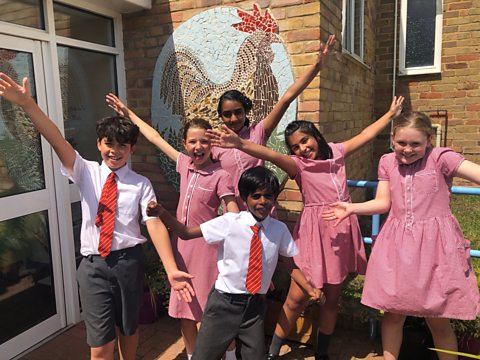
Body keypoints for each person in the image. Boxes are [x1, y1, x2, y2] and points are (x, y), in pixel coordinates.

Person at [0, 73, 194, 360]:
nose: (115, 151)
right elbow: (55, 138)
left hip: (129, 263)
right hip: (94, 268)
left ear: (131, 149)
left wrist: (170, 268)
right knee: (100, 347)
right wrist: (28, 105)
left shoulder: (141, 185)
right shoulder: (85, 171)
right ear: (99, 143)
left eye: (122, 146)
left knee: (129, 329)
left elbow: (153, 224)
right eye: (109, 143)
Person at [207, 95, 405, 360]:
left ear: (316, 137)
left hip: (342, 232)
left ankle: (321, 352)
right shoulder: (297, 165)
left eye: (305, 140)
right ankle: (272, 353)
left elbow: (366, 134)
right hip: (314, 234)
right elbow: (268, 153)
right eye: (295, 146)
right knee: (295, 298)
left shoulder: (337, 152)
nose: (301, 148)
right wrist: (240, 143)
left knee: (331, 300)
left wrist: (390, 115)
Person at [322, 111, 480, 360]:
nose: (407, 149)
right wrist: (352, 208)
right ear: (393, 138)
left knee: (438, 318)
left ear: (429, 140)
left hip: (435, 247)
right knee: (393, 314)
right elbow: (383, 202)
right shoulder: (386, 161)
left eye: (415, 144)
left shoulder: (441, 158)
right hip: (397, 244)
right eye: (401, 143)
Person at [106, 95, 239, 360]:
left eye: (204, 141)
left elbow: (232, 210)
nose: (198, 146)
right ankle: (193, 356)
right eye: (192, 141)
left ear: (212, 145)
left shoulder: (221, 175)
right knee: (186, 312)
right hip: (180, 250)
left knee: (213, 313)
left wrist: (233, 223)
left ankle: (231, 356)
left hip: (208, 252)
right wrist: (128, 113)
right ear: (185, 144)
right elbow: (154, 137)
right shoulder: (184, 165)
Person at [147, 166, 324, 360]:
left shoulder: (279, 230)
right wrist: (161, 212)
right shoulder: (230, 222)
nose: (263, 202)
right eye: (256, 196)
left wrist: (309, 288)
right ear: (245, 197)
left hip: (254, 308)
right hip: (223, 305)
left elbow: (289, 265)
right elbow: (185, 233)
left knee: (254, 356)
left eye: (268, 196)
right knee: (204, 356)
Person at [213, 34, 336, 209]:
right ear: (221, 116)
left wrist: (316, 67)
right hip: (234, 217)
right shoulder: (216, 144)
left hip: (263, 212)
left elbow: (286, 98)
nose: (233, 119)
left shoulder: (258, 132)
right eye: (227, 114)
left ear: (246, 111)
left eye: (238, 112)